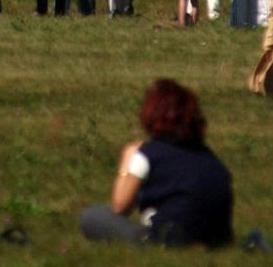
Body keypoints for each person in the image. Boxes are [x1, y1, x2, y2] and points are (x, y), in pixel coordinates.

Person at [79, 79, 233, 247]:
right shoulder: (211, 159)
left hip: (167, 237)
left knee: (91, 216)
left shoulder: (148, 155)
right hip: (217, 239)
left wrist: (126, 165)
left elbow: (120, 207)